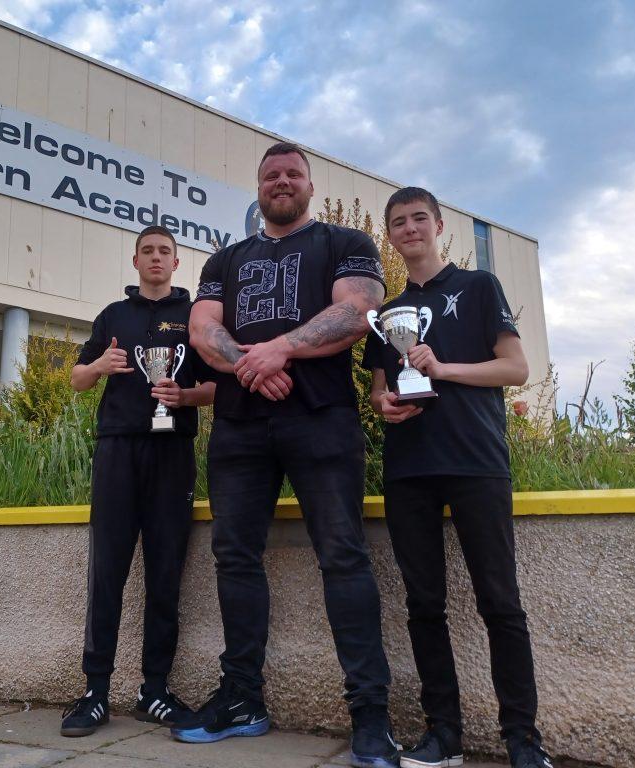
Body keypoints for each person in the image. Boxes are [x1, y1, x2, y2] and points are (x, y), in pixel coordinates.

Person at [177, 141, 400, 768]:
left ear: (309, 185)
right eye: (270, 175)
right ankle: (243, 700)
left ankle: (371, 716)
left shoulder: (345, 243)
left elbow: (357, 310)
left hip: (321, 421)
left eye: (292, 174)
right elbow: (202, 330)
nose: (281, 182)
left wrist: (278, 350)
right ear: (258, 187)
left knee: (343, 556)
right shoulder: (225, 259)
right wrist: (259, 363)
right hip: (242, 428)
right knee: (234, 557)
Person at [362, 187, 552, 768]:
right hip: (410, 469)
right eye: (399, 222)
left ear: (439, 225)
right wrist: (383, 405)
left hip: (476, 463)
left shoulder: (477, 288)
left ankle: (522, 740)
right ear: (390, 236)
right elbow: (375, 390)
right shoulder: (386, 314)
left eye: (420, 218)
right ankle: (442, 736)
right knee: (424, 607)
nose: (410, 229)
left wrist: (442, 369)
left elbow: (515, 367)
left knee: (501, 604)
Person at [60, 225, 215, 737]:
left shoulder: (196, 315)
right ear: (135, 261)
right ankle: (94, 692)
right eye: (147, 251)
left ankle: (155, 690)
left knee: (165, 574)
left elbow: (218, 384)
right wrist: (100, 365)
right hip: (117, 451)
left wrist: (185, 398)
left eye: (164, 252)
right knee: (107, 571)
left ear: (176, 262)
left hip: (172, 454)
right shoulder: (113, 316)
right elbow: (77, 379)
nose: (155, 258)